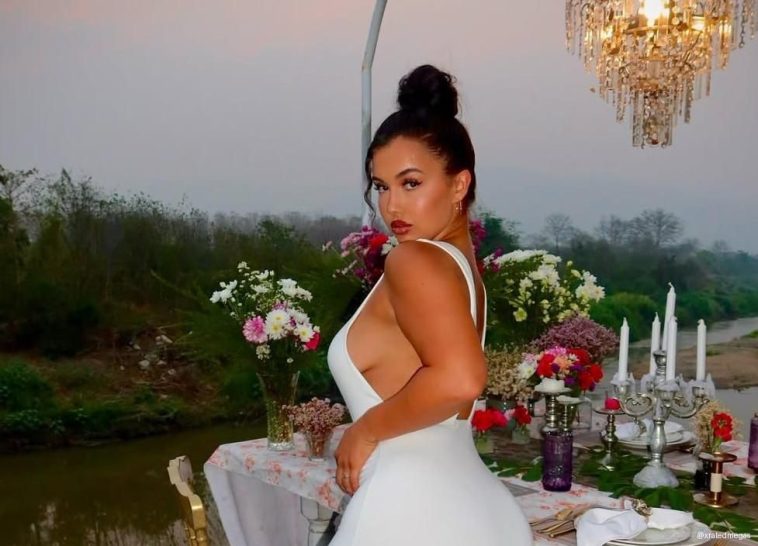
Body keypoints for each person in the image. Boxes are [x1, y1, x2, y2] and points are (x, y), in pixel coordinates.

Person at [326, 65, 532, 545]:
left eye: (411, 183)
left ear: (459, 185)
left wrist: (366, 429)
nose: (391, 206)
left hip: (406, 515)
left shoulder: (414, 260)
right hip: (476, 510)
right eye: (382, 186)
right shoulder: (462, 270)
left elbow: (460, 379)